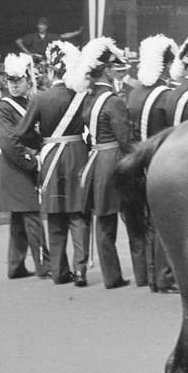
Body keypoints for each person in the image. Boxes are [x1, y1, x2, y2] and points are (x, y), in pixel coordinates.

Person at [14, 42, 90, 286]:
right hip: (77, 153)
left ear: (51, 72)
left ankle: (59, 272)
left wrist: (42, 143)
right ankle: (80, 271)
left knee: (56, 216)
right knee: (78, 214)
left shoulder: (40, 98)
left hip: (50, 157)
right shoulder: (81, 97)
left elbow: (21, 133)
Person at [70, 38, 136, 289]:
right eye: (113, 68)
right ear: (107, 71)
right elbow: (124, 139)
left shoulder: (88, 99)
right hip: (114, 160)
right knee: (127, 216)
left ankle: (111, 275)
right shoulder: (114, 101)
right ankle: (133, 274)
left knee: (104, 219)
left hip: (96, 159)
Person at [128, 35, 180, 293]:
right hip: (159, 161)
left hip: (137, 160)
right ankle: (165, 276)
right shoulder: (167, 96)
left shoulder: (134, 93)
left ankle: (149, 274)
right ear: (166, 65)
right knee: (163, 221)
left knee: (147, 221)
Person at [0, 54, 47, 279]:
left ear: (28, 80)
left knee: (19, 217)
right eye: (11, 81)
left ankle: (15, 266)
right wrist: (32, 163)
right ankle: (46, 265)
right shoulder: (3, 107)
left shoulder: (28, 102)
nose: (14, 85)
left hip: (18, 165)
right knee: (32, 213)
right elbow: (9, 142)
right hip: (15, 165)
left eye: (19, 81)